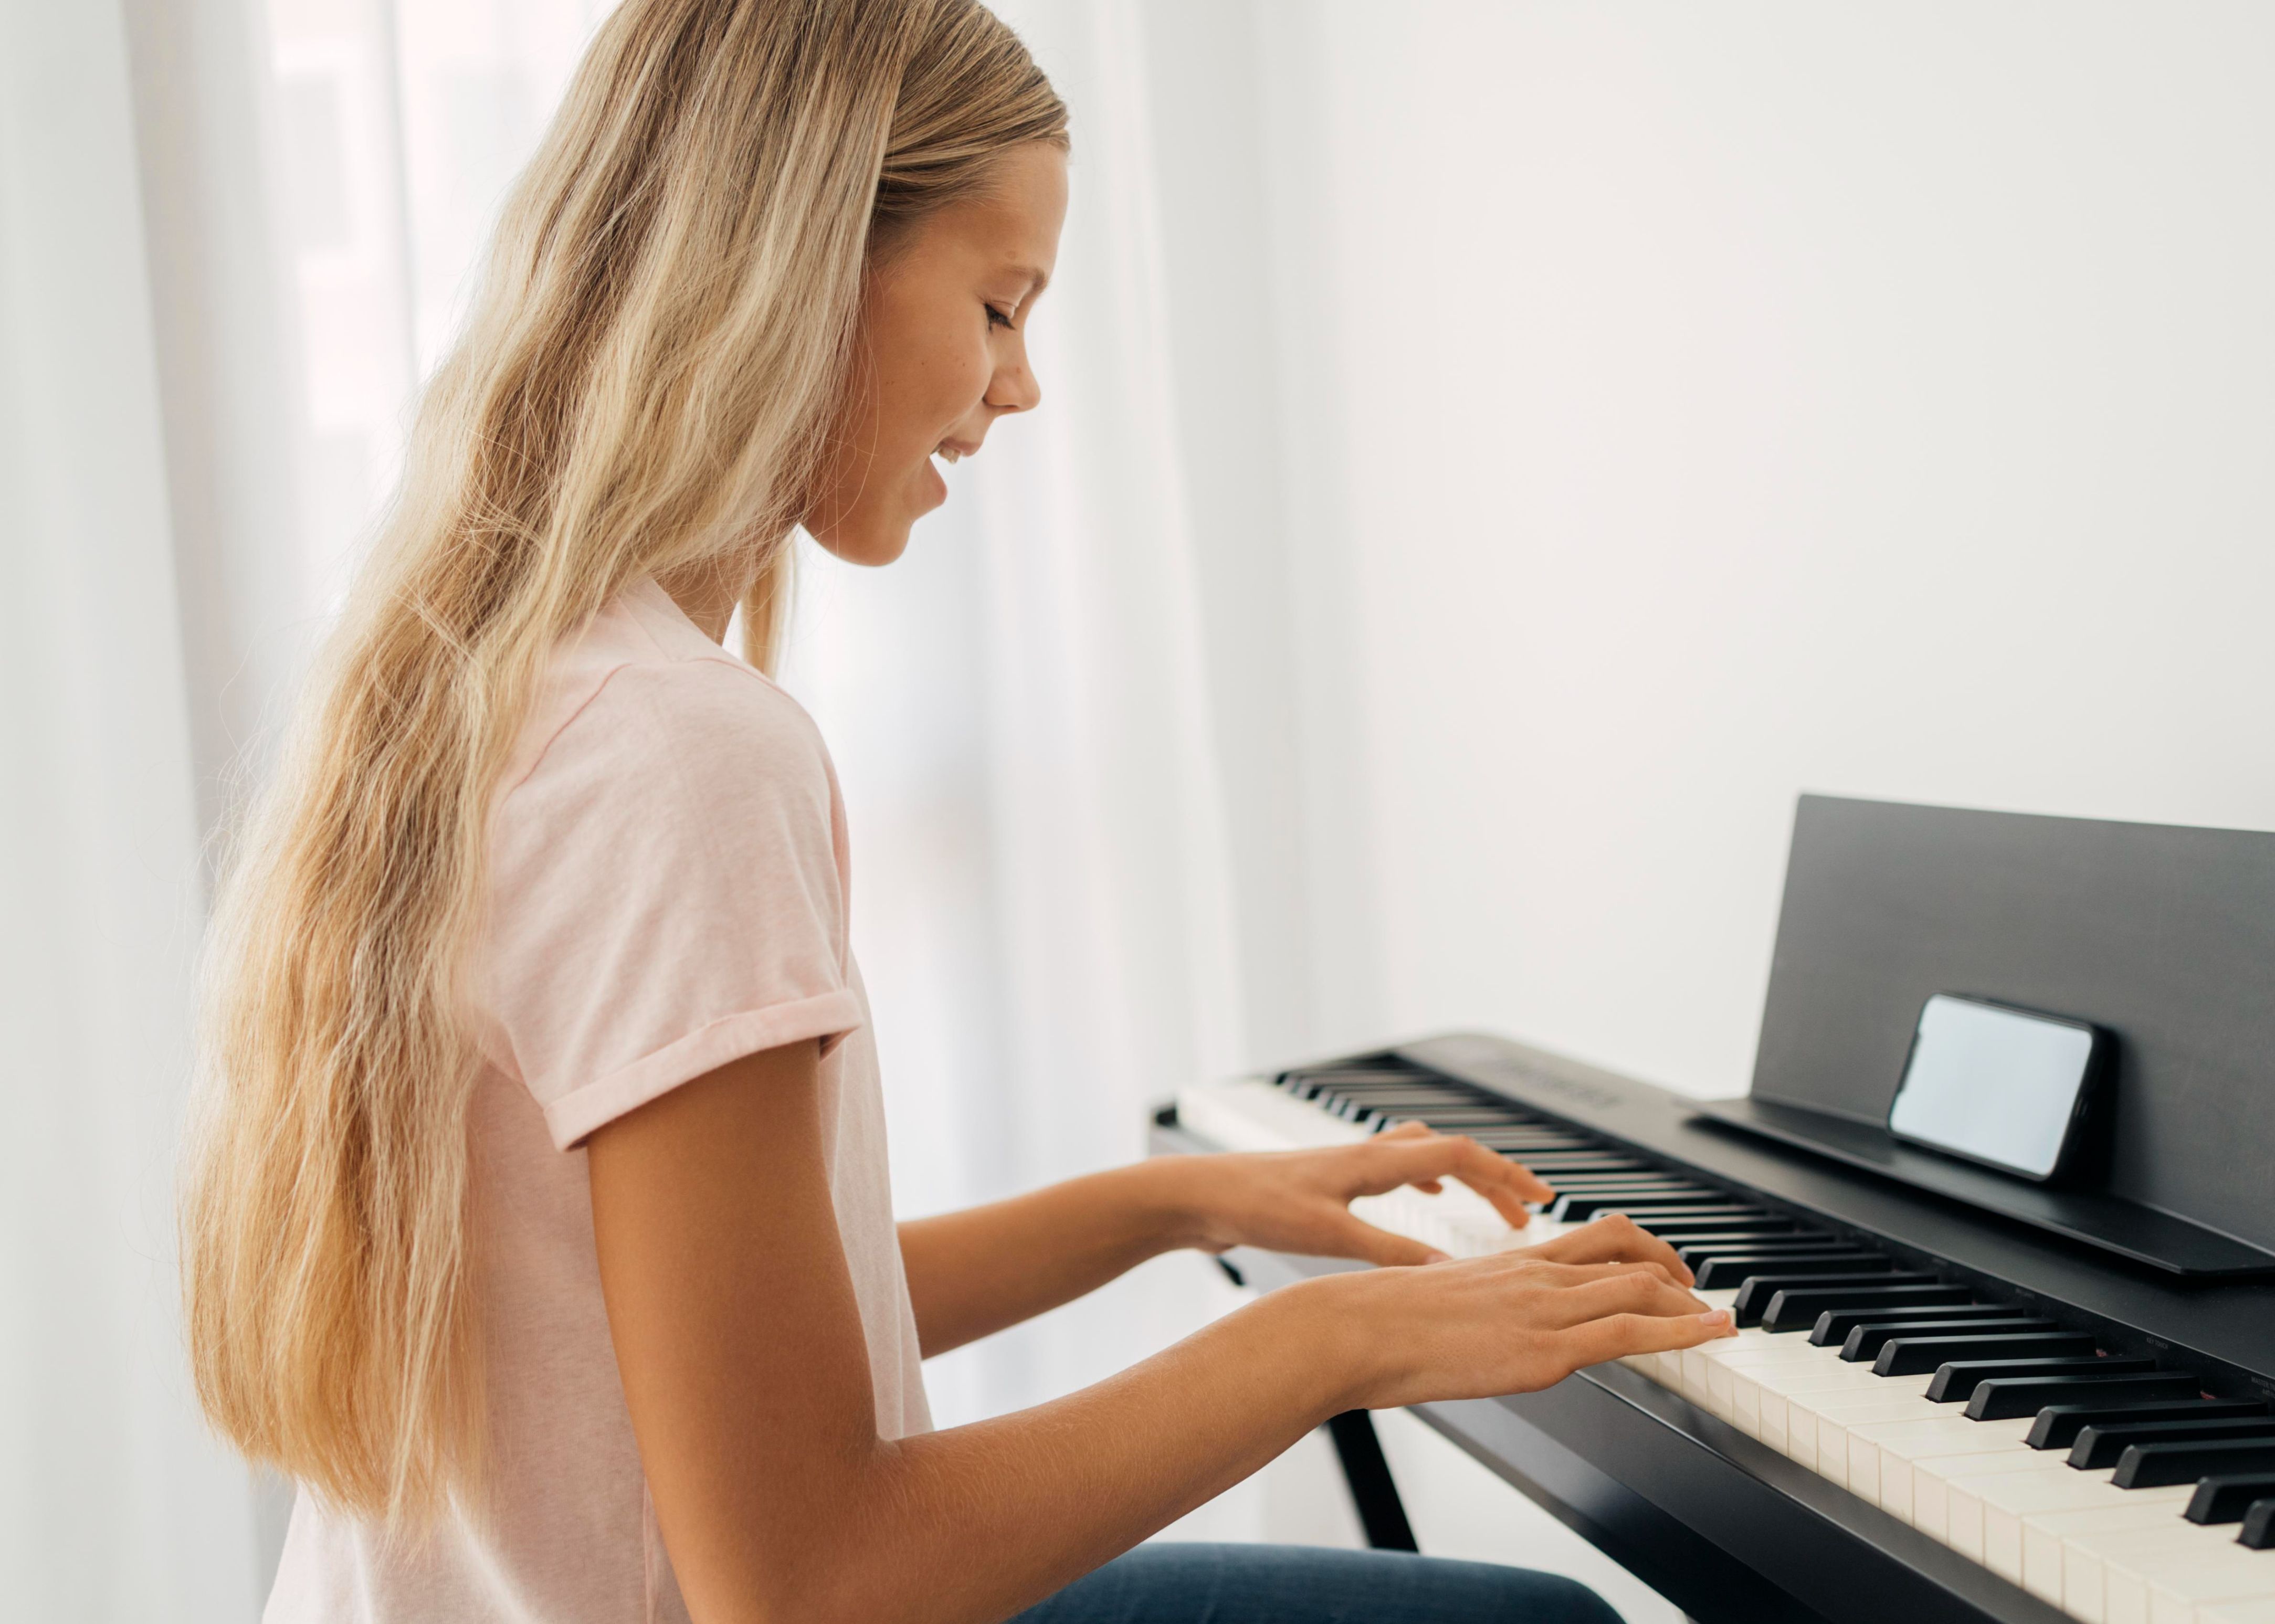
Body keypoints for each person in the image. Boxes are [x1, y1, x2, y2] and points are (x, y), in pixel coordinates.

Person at [177, 3, 1736, 1620]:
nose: (1022, 384)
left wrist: (1177, 1203)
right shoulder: (680, 754)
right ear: (799, 262)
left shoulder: (487, 689)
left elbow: (704, 1347)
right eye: (999, 306)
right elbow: (811, 1581)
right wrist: (1324, 1344)